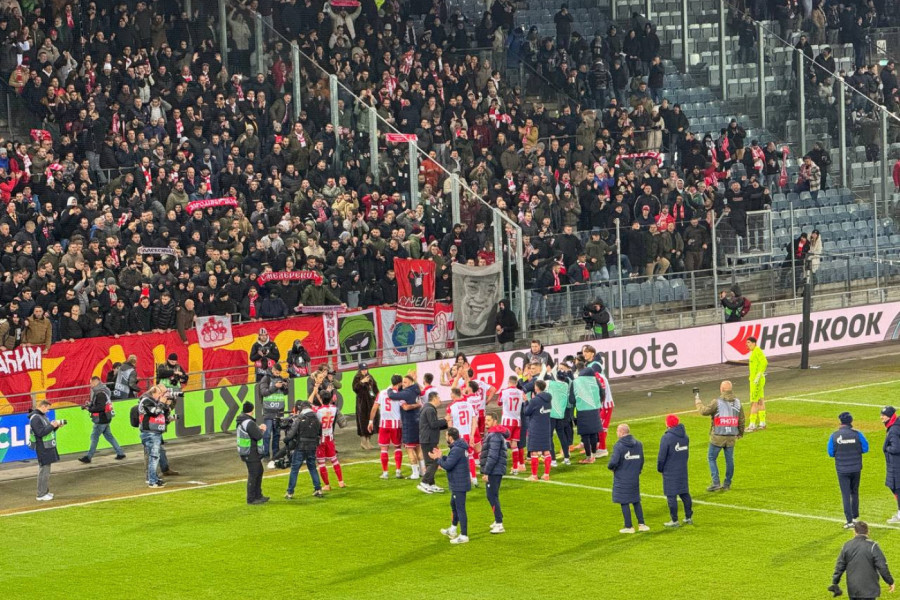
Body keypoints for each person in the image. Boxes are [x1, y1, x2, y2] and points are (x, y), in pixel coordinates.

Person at [695, 381, 745, 492]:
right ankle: (727, 484)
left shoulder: (716, 402)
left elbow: (704, 411)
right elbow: (741, 419)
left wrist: (698, 402)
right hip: (731, 436)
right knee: (729, 460)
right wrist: (740, 433)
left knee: (711, 458)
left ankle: (716, 482)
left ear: (722, 389)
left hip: (718, 436)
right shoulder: (737, 402)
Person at [430, 427, 472, 544]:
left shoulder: (457, 449)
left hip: (459, 483)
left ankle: (464, 535)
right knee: (453, 504)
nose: (445, 438)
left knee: (460, 508)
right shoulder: (458, 448)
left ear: (451, 437)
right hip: (459, 482)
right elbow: (451, 461)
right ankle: (453, 529)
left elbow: (448, 466)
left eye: (446, 436)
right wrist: (442, 456)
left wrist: (438, 459)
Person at [831, 521, 895, 598]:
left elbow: (840, 566)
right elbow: (882, 566)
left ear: (854, 532)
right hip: (869, 590)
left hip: (853, 589)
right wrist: (890, 581)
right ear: (868, 532)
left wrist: (835, 582)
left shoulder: (847, 546)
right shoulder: (873, 546)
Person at [828, 412, 869, 528]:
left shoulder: (834, 436)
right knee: (854, 492)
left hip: (842, 469)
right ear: (851, 421)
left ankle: (849, 520)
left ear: (840, 422)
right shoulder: (857, 434)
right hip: (856, 468)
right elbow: (865, 448)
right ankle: (855, 516)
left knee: (845, 494)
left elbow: (831, 453)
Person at [608, 423, 648, 533]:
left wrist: (612, 468)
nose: (616, 433)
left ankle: (629, 526)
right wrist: (637, 471)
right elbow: (641, 460)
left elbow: (613, 462)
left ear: (621, 432)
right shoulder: (638, 444)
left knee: (624, 501)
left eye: (617, 431)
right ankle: (642, 524)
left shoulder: (619, 446)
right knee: (636, 500)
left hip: (622, 477)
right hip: (634, 477)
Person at [78, 375, 126, 463]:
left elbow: (100, 407)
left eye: (91, 383)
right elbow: (101, 405)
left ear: (96, 382)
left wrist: (89, 409)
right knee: (109, 436)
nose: (90, 385)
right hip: (106, 418)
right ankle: (120, 453)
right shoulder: (104, 391)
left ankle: (88, 457)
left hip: (101, 419)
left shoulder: (100, 394)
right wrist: (90, 405)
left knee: (94, 437)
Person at [657, 414, 693, 527]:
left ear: (668, 424)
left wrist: (660, 469)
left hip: (670, 471)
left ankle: (674, 520)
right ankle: (688, 517)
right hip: (682, 469)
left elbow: (661, 457)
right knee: (685, 494)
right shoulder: (685, 437)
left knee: (671, 495)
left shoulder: (666, 438)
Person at [284, 401, 324, 499]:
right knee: (312, 467)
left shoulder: (299, 418)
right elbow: (320, 432)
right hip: (312, 446)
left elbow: (292, 433)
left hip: (301, 446)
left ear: (302, 408)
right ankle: (318, 489)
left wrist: (286, 440)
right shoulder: (317, 418)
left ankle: (290, 492)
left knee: (294, 469)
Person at [389, 373, 425, 480]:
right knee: (418, 447)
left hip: (409, 423)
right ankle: (423, 471)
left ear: (410, 383)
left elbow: (392, 396)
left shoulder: (406, 393)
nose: (403, 384)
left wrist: (390, 388)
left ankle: (415, 473)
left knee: (410, 448)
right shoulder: (416, 390)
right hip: (418, 421)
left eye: (405, 382)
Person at [29, 400, 66, 501]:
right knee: (44, 470)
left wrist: (56, 427)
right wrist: (52, 425)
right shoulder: (36, 418)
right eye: (47, 408)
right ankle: (41, 494)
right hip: (42, 447)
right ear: (43, 406)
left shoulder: (41, 416)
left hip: (46, 446)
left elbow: (47, 431)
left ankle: (44, 491)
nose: (48, 410)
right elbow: (40, 433)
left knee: (46, 470)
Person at [138, 384, 174, 488]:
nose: (161, 395)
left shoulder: (152, 402)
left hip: (154, 432)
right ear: (153, 393)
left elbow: (162, 414)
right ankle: (152, 481)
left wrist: (166, 405)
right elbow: (155, 413)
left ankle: (153, 478)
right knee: (153, 457)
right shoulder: (146, 401)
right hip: (150, 433)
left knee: (154, 457)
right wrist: (162, 403)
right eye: (159, 393)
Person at [369, 376, 404, 479]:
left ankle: (385, 473)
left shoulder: (382, 393)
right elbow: (404, 408)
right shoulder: (400, 394)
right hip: (396, 424)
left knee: (384, 449)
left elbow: (374, 408)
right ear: (399, 383)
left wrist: (370, 421)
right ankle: (398, 471)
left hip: (383, 424)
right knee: (397, 447)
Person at [480, 413, 509, 534]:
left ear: (495, 421)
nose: (486, 422)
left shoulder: (495, 436)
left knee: (491, 496)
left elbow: (493, 455)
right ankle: (498, 519)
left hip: (494, 470)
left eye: (489, 420)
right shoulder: (494, 433)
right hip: (496, 469)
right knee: (492, 495)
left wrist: (486, 472)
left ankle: (499, 523)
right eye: (485, 420)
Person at [583, 345, 614, 456]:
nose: (584, 354)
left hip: (605, 404)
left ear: (592, 353)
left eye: (586, 352)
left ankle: (602, 449)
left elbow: (601, 390)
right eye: (583, 352)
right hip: (603, 403)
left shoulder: (596, 369)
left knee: (600, 427)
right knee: (599, 426)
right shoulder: (593, 367)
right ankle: (598, 446)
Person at [235, 401, 268, 505]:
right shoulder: (249, 422)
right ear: (252, 410)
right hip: (250, 452)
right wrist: (262, 430)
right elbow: (257, 436)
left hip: (248, 451)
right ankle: (251, 498)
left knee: (259, 471)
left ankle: (258, 495)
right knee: (254, 474)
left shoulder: (243, 421)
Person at [259, 362, 290, 467]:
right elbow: (264, 392)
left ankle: (276, 455)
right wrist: (275, 387)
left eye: (279, 372)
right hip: (268, 411)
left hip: (279, 411)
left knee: (277, 434)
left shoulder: (281, 378)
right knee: (267, 434)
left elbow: (286, 393)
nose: (277, 374)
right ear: (272, 369)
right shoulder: (265, 379)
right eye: (276, 372)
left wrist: (285, 386)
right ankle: (266, 455)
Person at [447, 387, 479, 483]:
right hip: (468, 434)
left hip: (458, 436)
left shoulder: (451, 407)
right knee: (470, 456)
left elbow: (450, 424)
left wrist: (450, 437)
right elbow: (474, 421)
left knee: (456, 458)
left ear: (453, 394)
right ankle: (474, 478)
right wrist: (472, 435)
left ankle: (460, 479)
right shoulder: (469, 405)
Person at [523, 379, 553, 481]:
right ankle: (546, 475)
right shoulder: (548, 398)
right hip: (546, 427)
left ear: (536, 388)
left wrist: (526, 401)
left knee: (534, 452)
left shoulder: (535, 400)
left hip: (535, 427)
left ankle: (534, 475)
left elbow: (526, 412)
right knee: (546, 451)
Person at [419, 390, 448, 494]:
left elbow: (432, 425)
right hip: (429, 440)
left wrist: (445, 424)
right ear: (434, 398)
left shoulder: (426, 408)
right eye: (439, 398)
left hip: (426, 439)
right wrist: (445, 420)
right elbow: (433, 424)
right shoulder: (430, 409)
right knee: (435, 461)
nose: (440, 400)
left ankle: (431, 484)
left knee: (429, 463)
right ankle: (424, 482)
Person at [314, 391, 345, 491]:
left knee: (322, 463)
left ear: (321, 398)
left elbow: (310, 404)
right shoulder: (334, 409)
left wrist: (315, 392)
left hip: (321, 439)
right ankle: (341, 482)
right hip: (330, 437)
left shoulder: (318, 411)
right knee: (334, 460)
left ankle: (327, 485)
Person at [498, 376, 525, 474]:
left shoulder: (504, 391)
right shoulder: (520, 392)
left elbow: (499, 403)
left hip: (507, 420)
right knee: (514, 444)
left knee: (502, 444)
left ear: (508, 382)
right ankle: (515, 468)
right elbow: (524, 402)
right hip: (517, 421)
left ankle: (500, 466)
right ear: (516, 382)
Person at [352, 363, 379, 450]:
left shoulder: (370, 377)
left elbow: (375, 388)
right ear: (360, 370)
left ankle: (368, 441)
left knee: (371, 421)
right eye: (363, 369)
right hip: (362, 403)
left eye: (366, 369)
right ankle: (363, 442)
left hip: (370, 401)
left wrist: (377, 397)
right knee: (363, 421)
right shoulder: (357, 378)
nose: (365, 371)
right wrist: (361, 382)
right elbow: (355, 389)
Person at [881, 406, 900, 524]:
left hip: (896, 465)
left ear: (890, 416)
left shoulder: (893, 430)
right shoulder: (895, 427)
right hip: (896, 464)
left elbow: (896, 448)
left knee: (897, 489)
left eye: (883, 415)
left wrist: (887, 448)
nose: (881, 417)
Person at [745, 336, 768, 432]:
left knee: (754, 402)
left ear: (754, 343)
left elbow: (765, 362)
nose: (747, 345)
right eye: (747, 343)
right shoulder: (754, 352)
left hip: (756, 381)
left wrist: (758, 375)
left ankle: (752, 425)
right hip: (757, 380)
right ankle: (762, 423)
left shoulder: (757, 351)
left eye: (749, 342)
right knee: (760, 401)